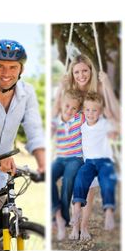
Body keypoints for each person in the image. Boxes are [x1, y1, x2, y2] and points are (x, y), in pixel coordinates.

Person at [0, 39, 45, 219]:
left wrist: (43, 164)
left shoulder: (28, 92)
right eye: (0, 66)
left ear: (21, 70)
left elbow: (34, 128)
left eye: (13, 67)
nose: (6, 73)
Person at [70, 92, 117, 240]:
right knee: (80, 180)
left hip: (104, 161)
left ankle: (109, 211)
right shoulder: (82, 126)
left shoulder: (104, 123)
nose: (90, 113)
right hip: (89, 162)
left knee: (108, 181)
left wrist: (110, 117)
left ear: (101, 112)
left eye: (94, 110)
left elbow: (116, 126)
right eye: (88, 110)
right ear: (83, 111)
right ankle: (76, 208)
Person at [51, 89, 85, 241]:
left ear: (78, 110)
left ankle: (64, 217)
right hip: (60, 158)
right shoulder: (56, 120)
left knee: (68, 181)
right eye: (67, 106)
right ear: (61, 104)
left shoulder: (80, 119)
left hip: (75, 158)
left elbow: (94, 109)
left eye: (74, 108)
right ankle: (58, 215)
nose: (70, 110)